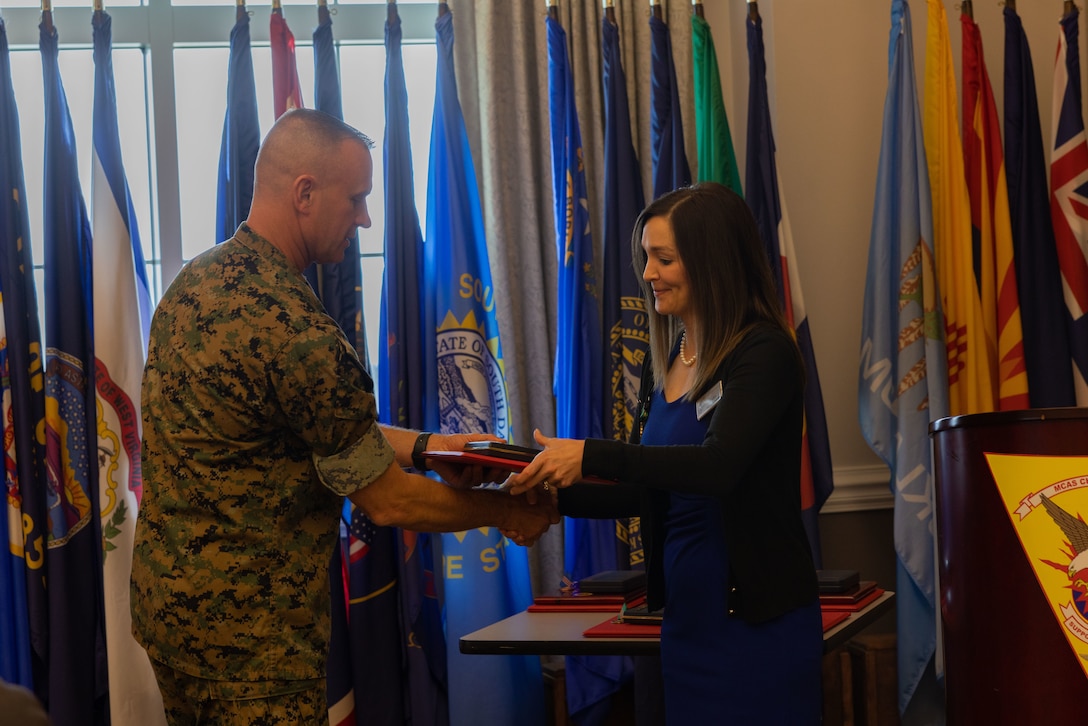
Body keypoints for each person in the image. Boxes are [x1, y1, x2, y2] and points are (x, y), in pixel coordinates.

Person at [131, 108, 557, 724]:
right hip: (254, 652)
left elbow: (304, 427)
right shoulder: (298, 331)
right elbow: (390, 504)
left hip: (174, 621)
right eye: (356, 199)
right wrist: (509, 510)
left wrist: (431, 445)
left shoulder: (194, 282)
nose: (365, 219)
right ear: (305, 193)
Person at [507, 182, 823, 723]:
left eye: (664, 258)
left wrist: (592, 454)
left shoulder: (764, 351)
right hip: (687, 622)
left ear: (713, 262)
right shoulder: (667, 358)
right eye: (646, 258)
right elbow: (649, 485)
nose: (648, 273)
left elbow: (719, 467)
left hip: (755, 625)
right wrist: (552, 496)